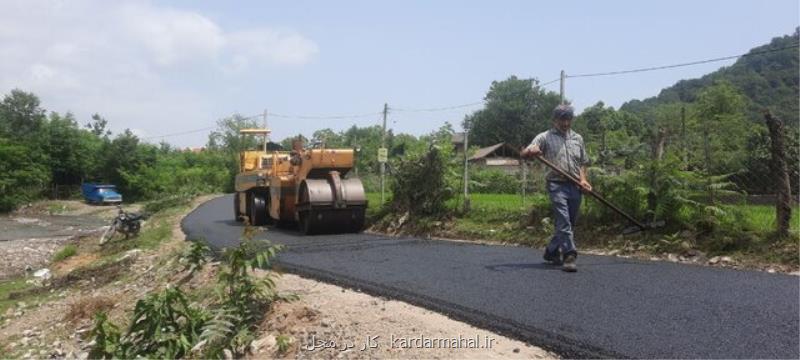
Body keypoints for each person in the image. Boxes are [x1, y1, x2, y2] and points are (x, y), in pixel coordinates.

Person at [521, 104, 591, 272]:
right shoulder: (544, 137)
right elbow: (526, 152)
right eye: (562, 120)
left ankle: (551, 251)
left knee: (569, 223)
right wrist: (532, 150)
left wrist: (583, 180)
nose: (565, 123)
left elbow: (582, 162)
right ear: (555, 120)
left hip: (574, 185)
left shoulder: (578, 138)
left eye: (568, 119)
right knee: (564, 220)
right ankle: (569, 255)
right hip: (556, 184)